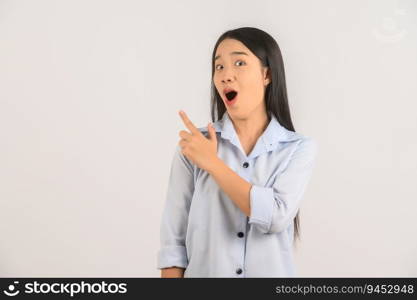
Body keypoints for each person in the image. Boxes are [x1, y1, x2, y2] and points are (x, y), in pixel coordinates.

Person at [157, 27, 318, 278]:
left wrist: (214, 165)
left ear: (267, 75)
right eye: (219, 66)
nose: (226, 75)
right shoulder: (193, 147)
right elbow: (173, 245)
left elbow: (274, 216)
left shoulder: (297, 149)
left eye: (239, 62)